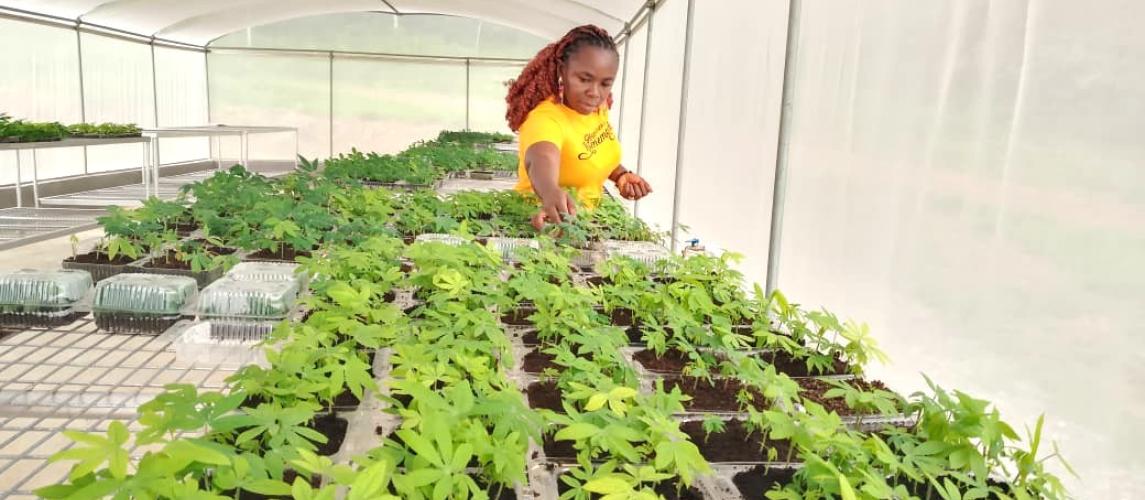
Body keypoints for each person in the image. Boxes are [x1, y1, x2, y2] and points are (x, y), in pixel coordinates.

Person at [505, 25, 652, 230]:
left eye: (605, 83)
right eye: (584, 79)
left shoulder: (597, 109)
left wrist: (620, 175)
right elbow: (540, 157)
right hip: (545, 226)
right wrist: (549, 192)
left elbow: (588, 152)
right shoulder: (545, 118)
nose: (594, 92)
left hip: (583, 225)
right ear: (562, 70)